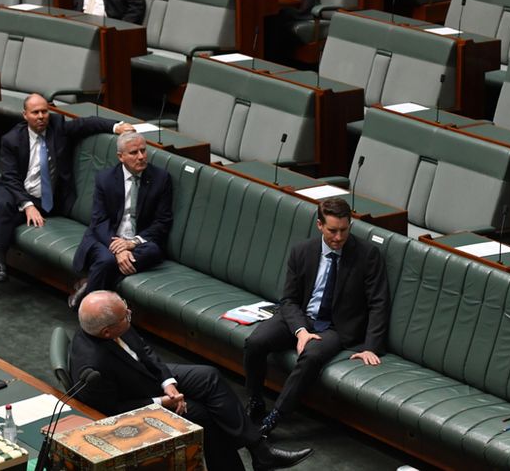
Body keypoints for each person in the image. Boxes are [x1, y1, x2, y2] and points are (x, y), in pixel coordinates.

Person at [71, 291, 312, 471]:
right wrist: (162, 401)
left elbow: (145, 351)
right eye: (126, 315)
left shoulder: (115, 321)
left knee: (208, 376)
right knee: (204, 415)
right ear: (106, 332)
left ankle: (259, 449)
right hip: (137, 398)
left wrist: (169, 383)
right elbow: (111, 410)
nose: (129, 315)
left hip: (149, 377)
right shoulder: (94, 365)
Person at [0, 94, 133, 305]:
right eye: (35, 112)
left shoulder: (58, 126)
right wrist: (26, 205)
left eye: (44, 111)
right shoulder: (12, 139)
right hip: (17, 190)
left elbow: (88, 123)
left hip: (45, 201)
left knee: (2, 216)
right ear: (25, 115)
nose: (41, 116)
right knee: (5, 202)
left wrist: (117, 126)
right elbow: (10, 177)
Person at [242, 198, 389, 436]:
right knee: (255, 342)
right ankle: (255, 399)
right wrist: (300, 331)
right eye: (332, 230)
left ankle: (275, 417)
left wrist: (371, 346)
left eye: (344, 230)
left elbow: (378, 303)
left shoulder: (367, 255)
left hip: (335, 328)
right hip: (302, 317)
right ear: (319, 225)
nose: (339, 237)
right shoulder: (301, 252)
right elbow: (288, 300)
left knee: (311, 356)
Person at [69, 132, 172, 309]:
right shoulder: (105, 178)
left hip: (138, 242)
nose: (141, 157)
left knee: (154, 251)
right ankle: (93, 311)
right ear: (120, 156)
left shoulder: (160, 178)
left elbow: (163, 221)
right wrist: (118, 250)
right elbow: (99, 220)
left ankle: (88, 291)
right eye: (134, 153)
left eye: (143, 150)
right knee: (108, 260)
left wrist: (131, 243)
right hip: (105, 238)